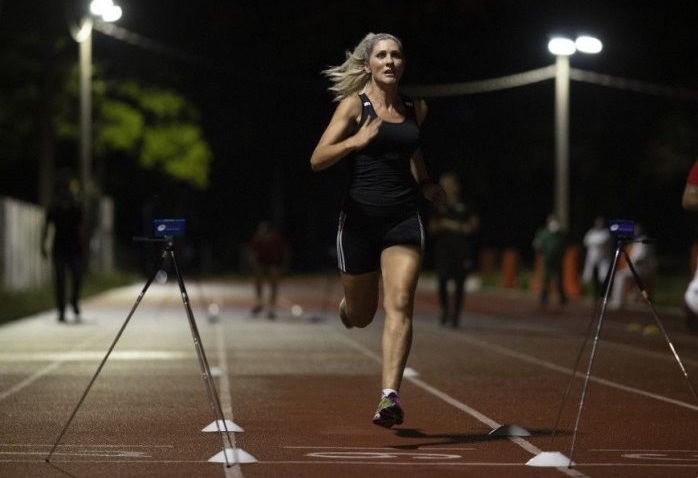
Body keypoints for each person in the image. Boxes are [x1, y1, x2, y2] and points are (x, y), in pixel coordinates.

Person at [309, 32, 444, 428]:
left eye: (396, 55)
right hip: (359, 222)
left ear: (403, 63)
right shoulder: (355, 106)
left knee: (400, 302)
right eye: (381, 55)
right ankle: (350, 308)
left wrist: (426, 184)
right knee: (364, 315)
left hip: (403, 218)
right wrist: (356, 140)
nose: (389, 61)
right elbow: (317, 159)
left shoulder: (413, 107)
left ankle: (390, 397)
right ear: (369, 64)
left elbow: (411, 148)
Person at [429, 172, 479, 327]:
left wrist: (461, 227)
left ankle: (455, 316)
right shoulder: (438, 203)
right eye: (444, 184)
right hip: (444, 248)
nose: (447, 187)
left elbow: (474, 224)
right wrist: (443, 225)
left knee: (460, 282)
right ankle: (444, 311)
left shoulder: (466, 203)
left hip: (461, 248)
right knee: (442, 280)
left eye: (449, 184)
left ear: (456, 186)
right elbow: (431, 226)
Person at [41, 181, 85, 323]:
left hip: (75, 248)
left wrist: (84, 248)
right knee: (60, 280)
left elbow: (82, 228)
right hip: (59, 248)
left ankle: (74, 299)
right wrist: (42, 245)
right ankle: (61, 310)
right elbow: (46, 227)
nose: (65, 205)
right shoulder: (53, 209)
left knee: (77, 276)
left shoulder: (76, 209)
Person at [608, 222, 656, 310]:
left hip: (642, 269)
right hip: (637, 268)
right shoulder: (635, 242)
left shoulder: (643, 241)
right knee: (621, 274)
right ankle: (627, 300)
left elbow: (640, 258)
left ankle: (618, 302)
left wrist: (630, 263)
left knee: (620, 276)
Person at [249, 221, 289, 319]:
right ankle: (259, 302)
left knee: (274, 284)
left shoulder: (276, 238)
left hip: (273, 262)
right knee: (257, 281)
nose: (264, 236)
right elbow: (253, 252)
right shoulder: (257, 238)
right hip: (261, 262)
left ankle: (271, 308)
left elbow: (284, 251)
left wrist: (284, 265)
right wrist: (253, 265)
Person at [532, 214, 567, 306]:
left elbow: (564, 246)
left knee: (559, 279)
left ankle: (562, 297)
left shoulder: (560, 234)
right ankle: (544, 296)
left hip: (557, 260)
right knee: (545, 278)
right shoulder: (543, 233)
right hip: (547, 260)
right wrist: (541, 254)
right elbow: (537, 245)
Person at [582, 216, 612, 299]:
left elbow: (601, 242)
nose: (599, 224)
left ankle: (604, 295)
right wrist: (593, 242)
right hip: (592, 259)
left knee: (603, 277)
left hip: (603, 259)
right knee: (589, 277)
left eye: (601, 222)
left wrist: (593, 242)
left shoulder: (606, 233)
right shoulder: (591, 232)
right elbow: (585, 241)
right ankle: (591, 295)